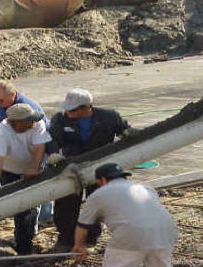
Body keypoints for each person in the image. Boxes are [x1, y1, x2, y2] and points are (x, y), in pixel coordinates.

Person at [47, 88, 138, 249]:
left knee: (97, 202)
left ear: (86, 108)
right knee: (65, 205)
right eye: (68, 109)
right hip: (71, 167)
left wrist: (127, 132)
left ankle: (90, 238)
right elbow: (53, 138)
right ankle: (66, 239)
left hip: (100, 166)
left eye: (73, 110)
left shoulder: (109, 117)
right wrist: (54, 153)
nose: (69, 112)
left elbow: (123, 129)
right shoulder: (61, 119)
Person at [0, 103, 52, 254]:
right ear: (17, 123)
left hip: (33, 168)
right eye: (29, 120)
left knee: (29, 208)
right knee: (19, 208)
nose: (34, 122)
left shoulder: (37, 125)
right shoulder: (1, 133)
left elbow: (39, 149)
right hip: (10, 172)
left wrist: (33, 169)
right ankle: (22, 242)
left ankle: (25, 245)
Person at [72, 163, 178, 267]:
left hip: (131, 233)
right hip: (166, 230)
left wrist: (79, 246)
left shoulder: (99, 194)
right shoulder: (146, 188)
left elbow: (82, 225)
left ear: (102, 180)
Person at [0, 80, 53, 223]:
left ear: (12, 95)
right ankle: (23, 217)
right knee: (16, 196)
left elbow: (39, 147)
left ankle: (44, 218)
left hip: (37, 144)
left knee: (39, 187)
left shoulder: (31, 112)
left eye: (0, 100)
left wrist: (33, 168)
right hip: (12, 142)